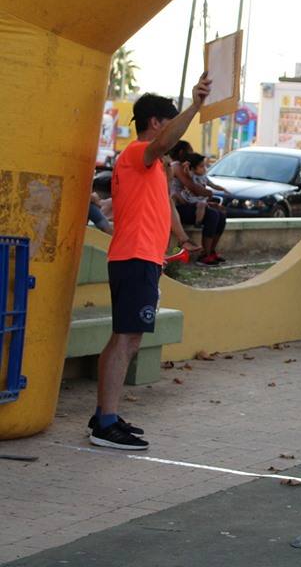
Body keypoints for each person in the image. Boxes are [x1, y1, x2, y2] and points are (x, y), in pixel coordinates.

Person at [88, 74, 211, 450]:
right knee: (127, 338)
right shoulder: (136, 155)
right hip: (134, 257)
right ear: (156, 122)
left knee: (125, 337)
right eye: (169, 120)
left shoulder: (150, 168)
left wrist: (182, 238)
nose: (172, 130)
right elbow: (165, 142)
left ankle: (104, 415)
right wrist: (195, 105)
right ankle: (105, 424)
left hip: (142, 259)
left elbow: (165, 207)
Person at [176, 152, 228, 227]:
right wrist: (187, 166)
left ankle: (199, 221)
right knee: (200, 205)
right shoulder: (192, 175)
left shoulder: (204, 178)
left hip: (200, 199)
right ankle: (196, 221)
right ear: (193, 168)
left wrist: (222, 189)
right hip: (190, 198)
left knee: (204, 205)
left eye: (205, 166)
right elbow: (186, 172)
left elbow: (213, 185)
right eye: (201, 166)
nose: (204, 169)